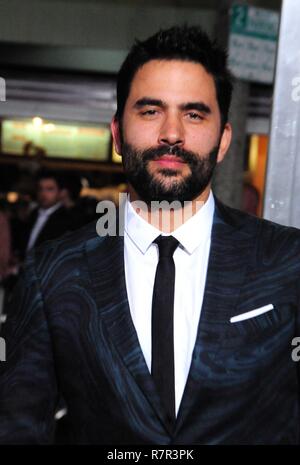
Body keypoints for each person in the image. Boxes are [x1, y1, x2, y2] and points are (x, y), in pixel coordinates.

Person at [0, 25, 300, 445]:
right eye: (150, 110)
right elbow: (18, 428)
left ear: (224, 139)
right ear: (118, 133)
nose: (172, 134)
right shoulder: (52, 273)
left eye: (193, 113)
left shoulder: (288, 260)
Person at [19, 170, 71, 257]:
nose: (43, 193)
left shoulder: (66, 220)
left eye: (50, 189)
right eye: (40, 189)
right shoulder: (34, 214)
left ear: (61, 192)